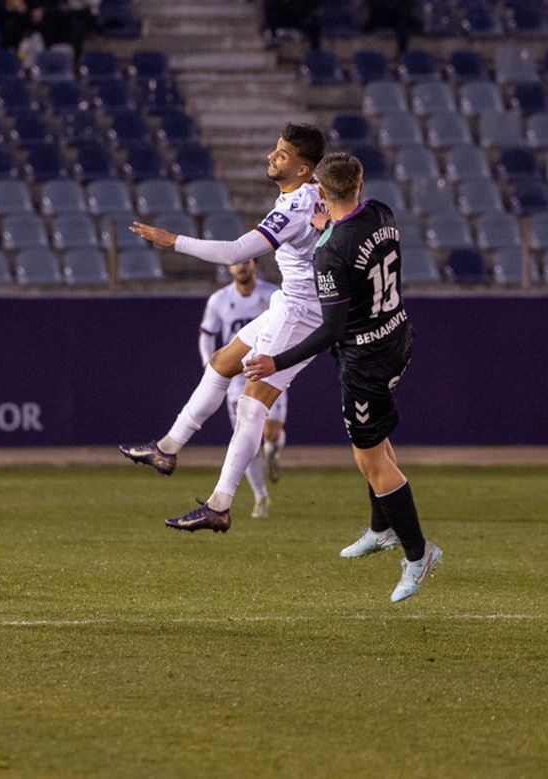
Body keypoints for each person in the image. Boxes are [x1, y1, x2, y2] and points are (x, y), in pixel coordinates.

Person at [243, 152, 441, 601]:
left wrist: (277, 361)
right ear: (361, 182)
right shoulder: (380, 213)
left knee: (368, 458)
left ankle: (417, 553)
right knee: (378, 440)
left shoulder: (330, 252)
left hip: (365, 356)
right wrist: (326, 228)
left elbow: (330, 328)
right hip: (398, 335)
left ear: (318, 188)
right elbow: (354, 233)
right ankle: (381, 526)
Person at [119, 124, 328, 534]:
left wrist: (171, 240)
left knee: (252, 403)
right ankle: (166, 449)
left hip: (302, 314)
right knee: (219, 363)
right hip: (290, 302)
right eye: (276, 148)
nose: (272, 156)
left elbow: (234, 252)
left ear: (303, 169)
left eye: (282, 154)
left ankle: (220, 504)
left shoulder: (297, 206)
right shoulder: (311, 191)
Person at [200, 259, 290, 518]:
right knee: (245, 435)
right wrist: (210, 364)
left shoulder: (272, 295)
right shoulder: (219, 300)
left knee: (271, 432)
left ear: (255, 265)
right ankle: (261, 498)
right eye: (236, 263)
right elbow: (207, 333)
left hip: (269, 369)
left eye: (246, 262)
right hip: (238, 377)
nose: (241, 267)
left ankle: (273, 450)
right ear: (229, 269)